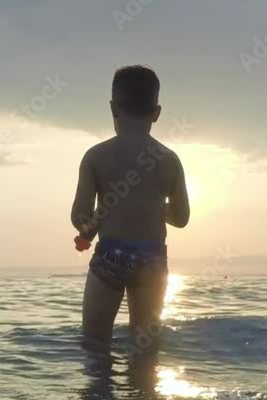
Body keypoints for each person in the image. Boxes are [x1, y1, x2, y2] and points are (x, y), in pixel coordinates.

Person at [70, 65, 190, 347]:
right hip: (152, 260)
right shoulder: (169, 159)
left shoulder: (96, 157)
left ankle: (100, 391)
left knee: (95, 345)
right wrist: (151, 207)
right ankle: (144, 389)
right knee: (144, 349)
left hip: (110, 256)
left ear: (113, 108)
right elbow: (182, 218)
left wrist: (93, 223)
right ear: (157, 113)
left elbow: (79, 215)